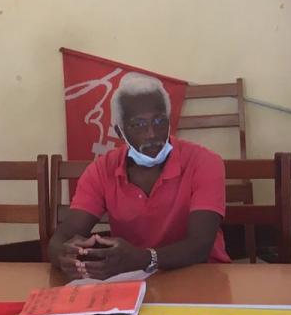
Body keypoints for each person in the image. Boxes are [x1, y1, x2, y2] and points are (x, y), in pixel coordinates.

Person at [48, 72, 227, 279]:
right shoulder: (102, 170)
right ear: (119, 131)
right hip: (132, 280)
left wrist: (144, 259)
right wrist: (66, 256)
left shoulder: (204, 162)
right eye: (138, 124)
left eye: (159, 121)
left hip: (200, 275)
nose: (152, 133)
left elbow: (200, 246)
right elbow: (61, 239)